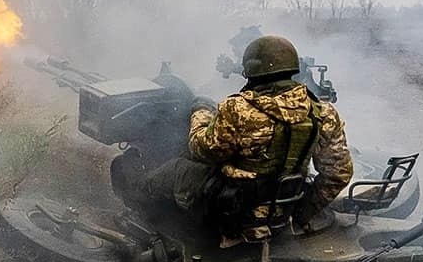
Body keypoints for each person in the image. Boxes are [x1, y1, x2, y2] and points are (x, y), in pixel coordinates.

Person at [138, 35, 353, 247]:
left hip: (234, 212)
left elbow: (200, 149)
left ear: (251, 72)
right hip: (283, 212)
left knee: (175, 170)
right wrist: (301, 212)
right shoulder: (323, 112)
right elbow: (339, 173)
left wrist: (201, 111)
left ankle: (142, 219)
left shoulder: (238, 109)